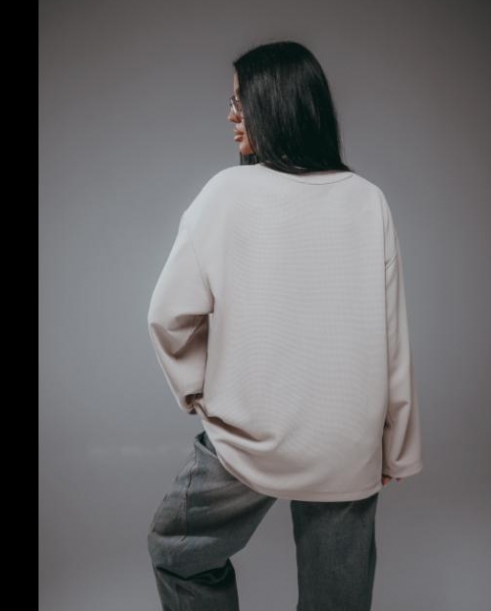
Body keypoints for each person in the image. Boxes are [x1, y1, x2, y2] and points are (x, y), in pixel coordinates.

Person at [146, 40, 423, 611]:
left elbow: (167, 316)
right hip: (346, 443)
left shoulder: (225, 193)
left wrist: (196, 390)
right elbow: (393, 340)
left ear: (277, 103)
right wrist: (396, 449)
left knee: (177, 550)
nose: (231, 115)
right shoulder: (368, 200)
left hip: (250, 439)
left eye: (240, 101)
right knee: (337, 600)